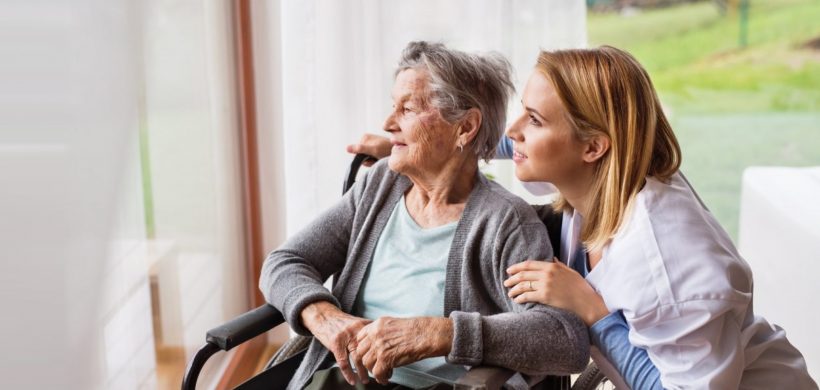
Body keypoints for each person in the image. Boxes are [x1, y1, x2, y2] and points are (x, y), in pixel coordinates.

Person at [349, 46, 817, 389]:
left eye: (533, 118)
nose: (513, 131)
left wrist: (592, 310)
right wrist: (426, 143)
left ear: (593, 146)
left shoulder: (669, 260)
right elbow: (515, 145)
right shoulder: (600, 179)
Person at [260, 41, 589, 390]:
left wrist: (440, 332)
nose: (388, 124)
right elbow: (284, 261)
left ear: (465, 128)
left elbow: (564, 339)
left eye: (408, 109)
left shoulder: (504, 222)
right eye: (393, 107)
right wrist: (324, 317)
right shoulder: (379, 186)